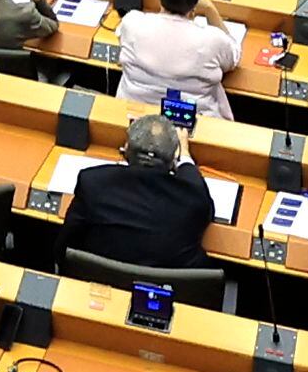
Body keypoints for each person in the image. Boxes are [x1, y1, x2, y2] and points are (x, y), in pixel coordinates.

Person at [61, 113, 218, 272]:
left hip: (97, 286)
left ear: (126, 149)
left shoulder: (93, 182)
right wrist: (184, 155)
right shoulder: (192, 197)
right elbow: (205, 208)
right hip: (172, 293)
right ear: (172, 159)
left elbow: (64, 246)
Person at [116, 0, 236, 116]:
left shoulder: (132, 23)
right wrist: (209, 8)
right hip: (195, 124)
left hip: (134, 118)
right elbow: (233, 56)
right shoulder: (212, 40)